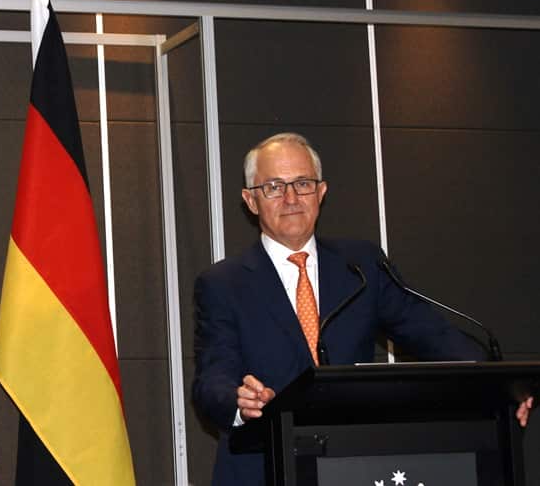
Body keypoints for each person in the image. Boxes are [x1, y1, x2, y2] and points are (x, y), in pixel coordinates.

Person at [191, 132, 533, 485]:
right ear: (251, 200)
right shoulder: (223, 283)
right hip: (261, 469)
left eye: (303, 183)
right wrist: (238, 401)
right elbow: (212, 378)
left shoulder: (361, 267)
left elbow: (434, 334)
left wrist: (498, 387)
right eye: (275, 186)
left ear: (321, 192)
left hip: (354, 465)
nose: (291, 198)